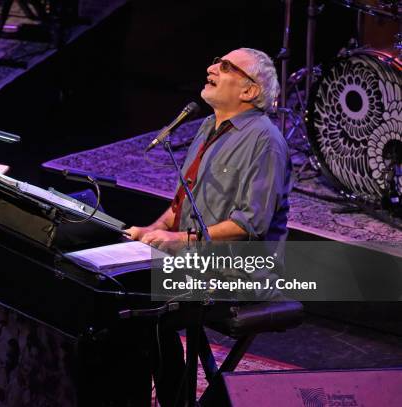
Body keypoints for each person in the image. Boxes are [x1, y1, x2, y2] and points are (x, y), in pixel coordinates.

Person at [125, 48, 292, 406]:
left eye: (226, 66)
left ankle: (176, 400)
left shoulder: (266, 142)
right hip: (199, 262)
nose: (211, 68)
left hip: (240, 274)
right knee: (122, 286)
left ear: (249, 91)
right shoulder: (207, 127)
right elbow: (179, 205)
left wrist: (178, 240)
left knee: (145, 301)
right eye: (217, 61)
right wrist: (147, 233)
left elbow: (251, 223)